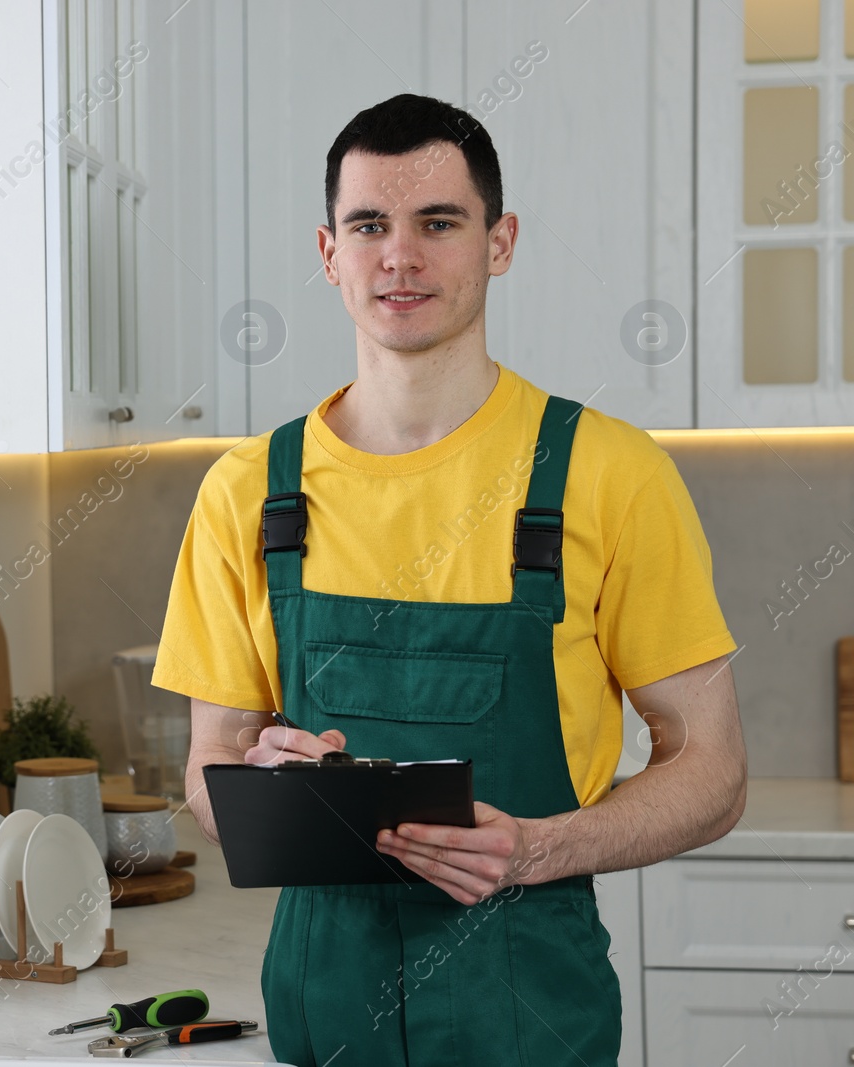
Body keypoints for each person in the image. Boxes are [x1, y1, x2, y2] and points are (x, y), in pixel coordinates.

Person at [153, 93, 747, 1067]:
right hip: (322, 1007)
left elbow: (714, 771)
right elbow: (208, 774)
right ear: (328, 250)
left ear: (498, 241)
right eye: (368, 225)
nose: (400, 256)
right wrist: (262, 791)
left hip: (530, 1009)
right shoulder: (248, 493)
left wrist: (537, 848)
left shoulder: (607, 473)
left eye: (438, 222)